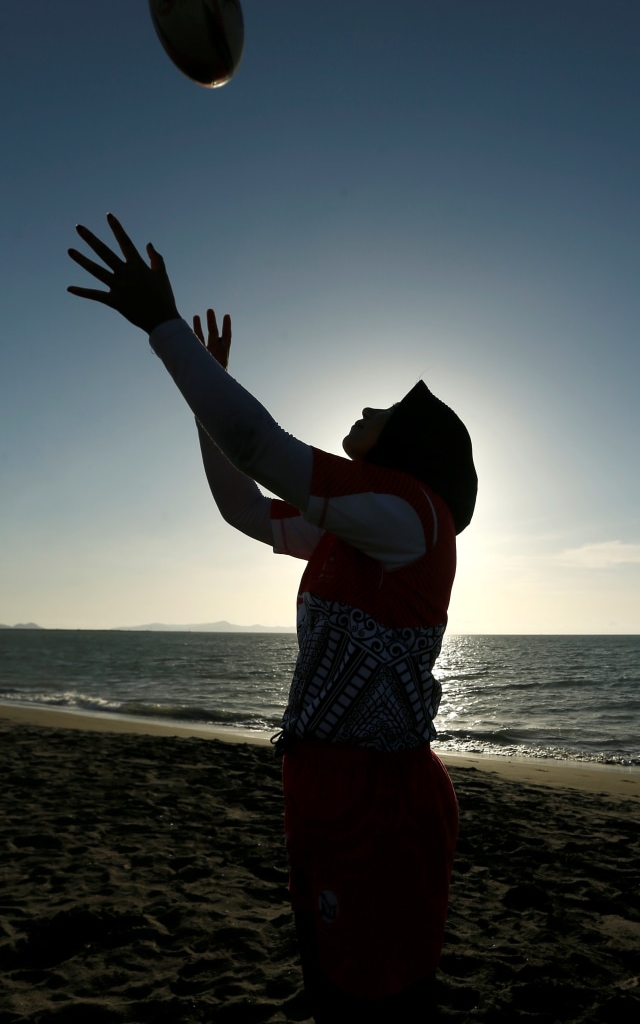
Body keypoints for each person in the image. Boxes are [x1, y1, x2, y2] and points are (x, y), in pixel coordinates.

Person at [68, 214, 478, 1022]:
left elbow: (258, 441)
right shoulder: (357, 521)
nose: (367, 406)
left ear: (409, 447)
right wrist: (200, 402)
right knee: (331, 986)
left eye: (387, 408)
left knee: (380, 999)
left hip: (381, 799)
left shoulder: (411, 513)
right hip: (323, 783)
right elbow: (245, 510)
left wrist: (164, 328)